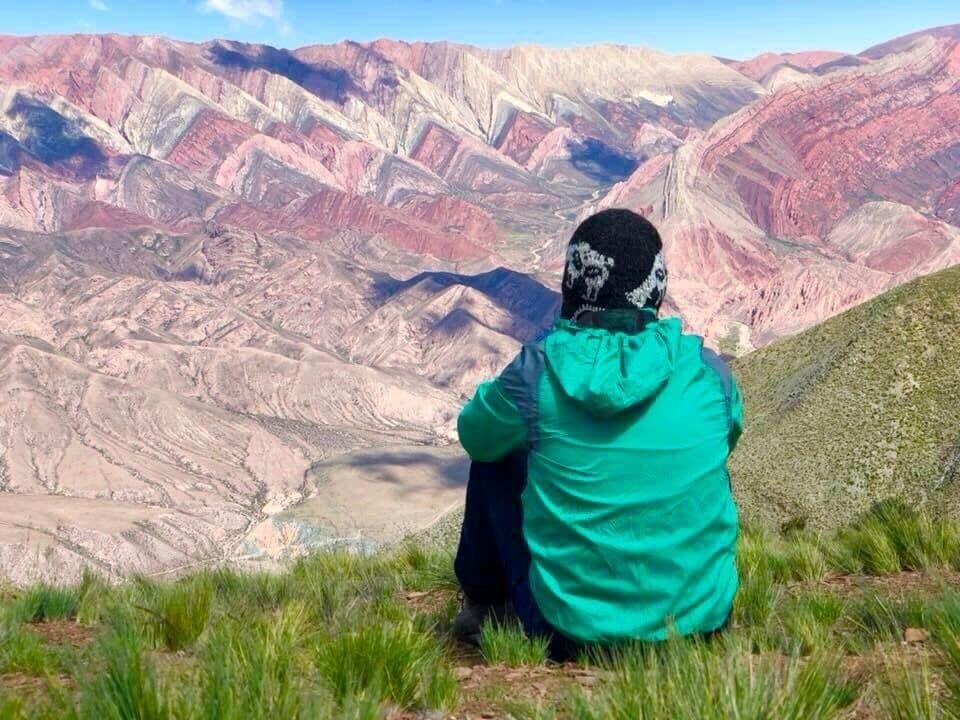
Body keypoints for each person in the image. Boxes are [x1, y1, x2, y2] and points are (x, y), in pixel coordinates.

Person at [451, 208, 743, 660]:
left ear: (573, 282)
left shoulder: (537, 373)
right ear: (656, 287)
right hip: (699, 626)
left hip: (568, 633)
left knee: (498, 455)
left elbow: (475, 435)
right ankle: (681, 591)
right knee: (708, 458)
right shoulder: (710, 375)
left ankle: (487, 606)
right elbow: (730, 436)